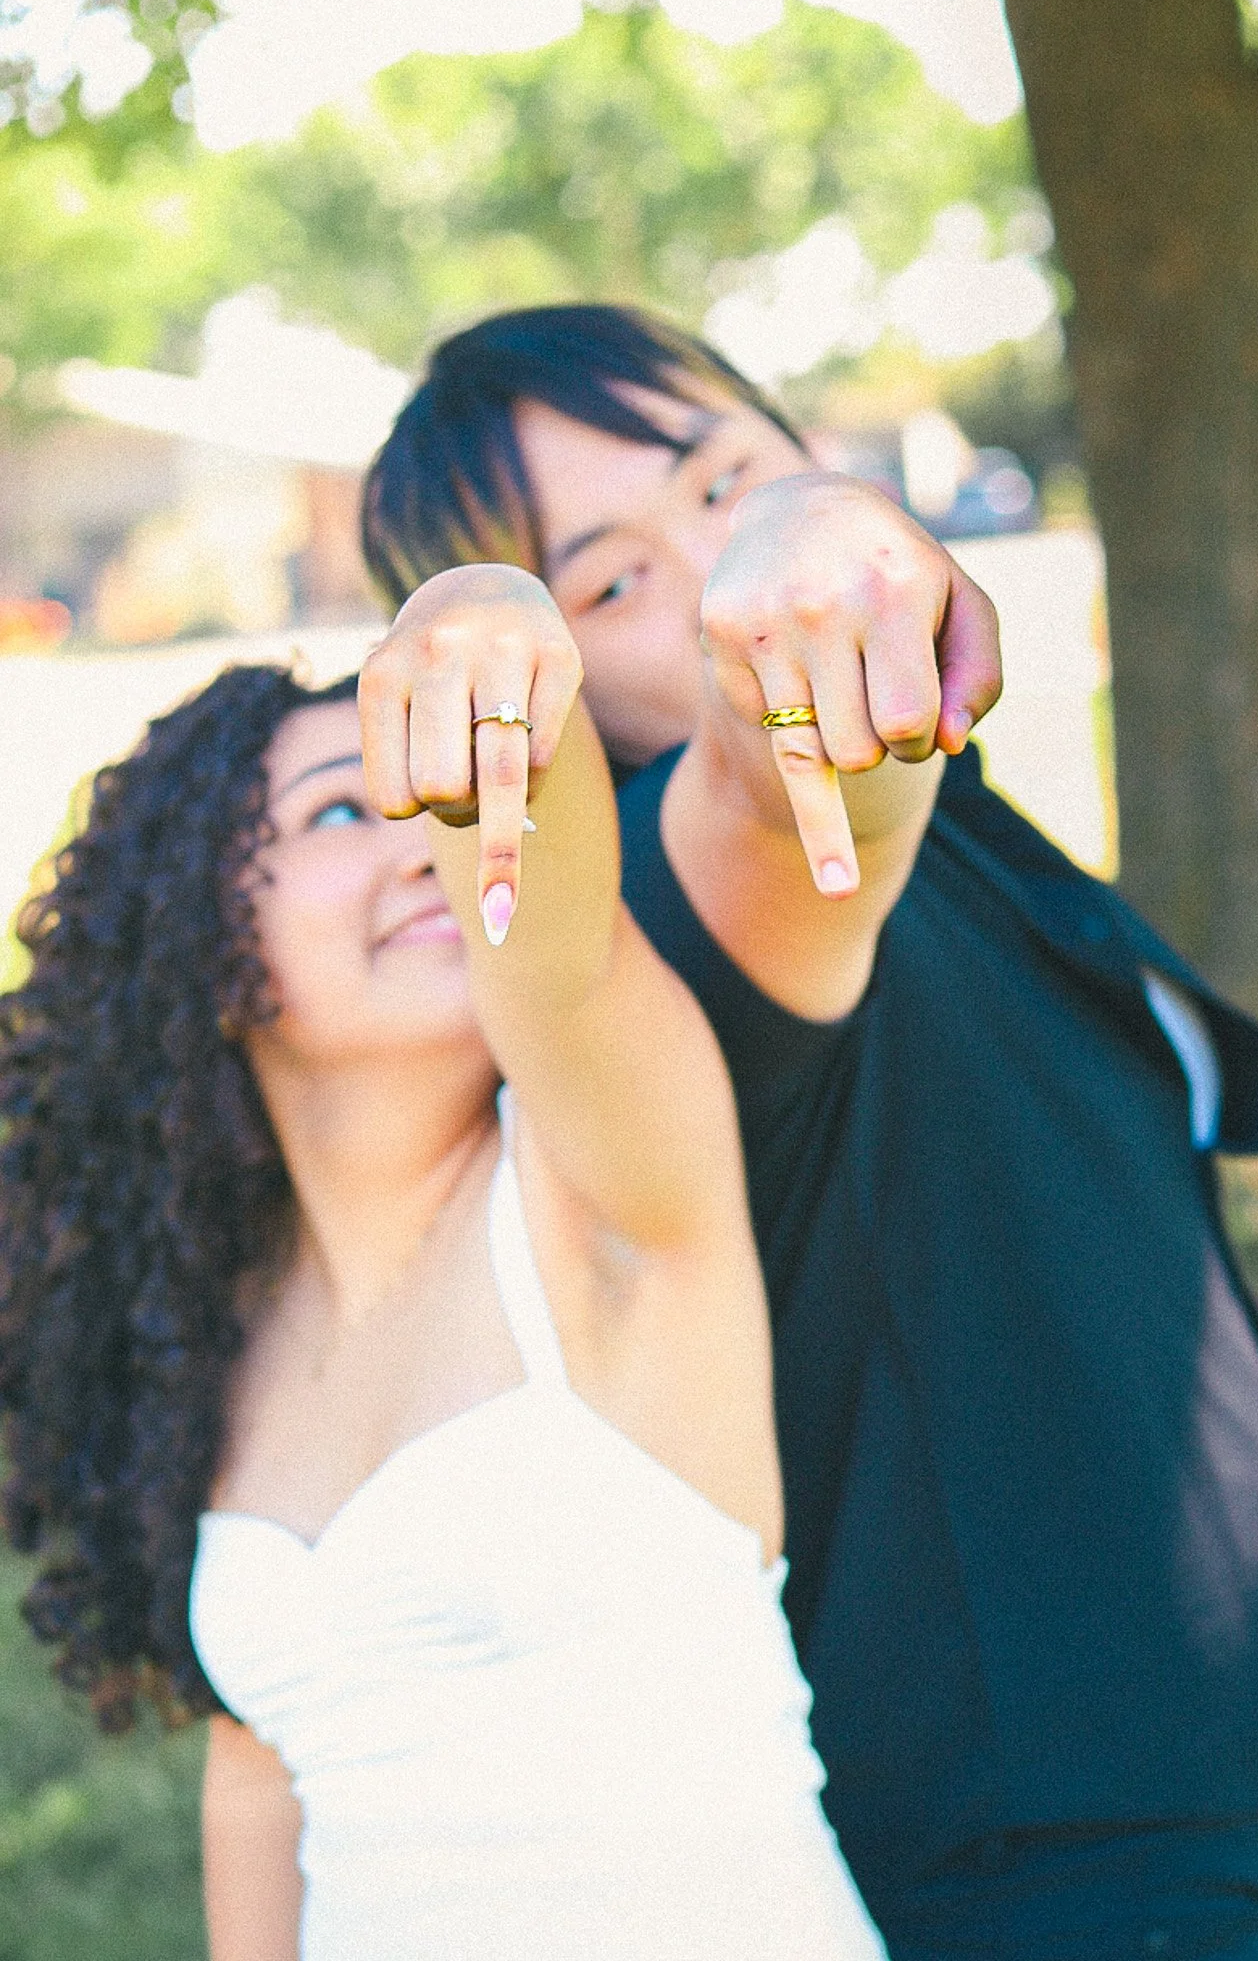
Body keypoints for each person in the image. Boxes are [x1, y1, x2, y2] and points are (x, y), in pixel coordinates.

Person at [360, 303, 1258, 1961]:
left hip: (1254, 1802)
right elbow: (781, 785)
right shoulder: (701, 911)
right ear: (564, 685)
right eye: (610, 582)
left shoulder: (957, 829)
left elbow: (1163, 1317)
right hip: (1051, 1875)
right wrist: (793, 563)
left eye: (728, 479)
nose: (711, 565)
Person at [0, 593, 895, 1961]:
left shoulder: (595, 1190)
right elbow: (262, 1777)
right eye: (344, 814)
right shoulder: (220, 1318)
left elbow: (562, 933)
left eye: (432, 791)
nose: (425, 841)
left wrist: (485, 619)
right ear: (191, 932)